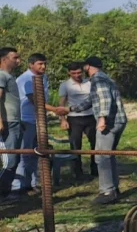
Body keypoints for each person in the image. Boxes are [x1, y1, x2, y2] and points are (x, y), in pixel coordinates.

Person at [59, 57, 126, 205]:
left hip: (109, 123)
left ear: (87, 66)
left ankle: (107, 191)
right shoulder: (103, 78)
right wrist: (70, 109)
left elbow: (104, 99)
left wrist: (102, 118)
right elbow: (91, 100)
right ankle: (114, 188)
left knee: (101, 156)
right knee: (109, 155)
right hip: (117, 120)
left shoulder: (98, 80)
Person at [16, 53, 61, 196]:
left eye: (44, 64)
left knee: (37, 152)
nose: (43, 66)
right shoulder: (25, 79)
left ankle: (32, 183)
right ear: (31, 65)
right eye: (39, 64)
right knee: (25, 152)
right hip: (26, 120)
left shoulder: (44, 78)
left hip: (39, 120)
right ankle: (18, 186)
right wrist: (55, 110)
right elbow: (34, 100)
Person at [59, 62, 97, 178]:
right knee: (75, 145)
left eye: (79, 72)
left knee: (95, 144)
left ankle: (95, 169)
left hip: (90, 116)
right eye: (74, 73)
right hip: (74, 118)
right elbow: (61, 103)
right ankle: (77, 172)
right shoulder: (65, 85)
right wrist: (63, 120)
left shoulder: (90, 83)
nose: (77, 75)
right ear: (69, 73)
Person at [0, 47, 22, 201]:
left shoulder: (10, 76)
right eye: (15, 57)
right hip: (6, 123)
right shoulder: (1, 75)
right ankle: (2, 193)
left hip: (14, 122)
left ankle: (5, 193)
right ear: (4, 59)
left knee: (15, 158)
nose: (18, 60)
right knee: (10, 160)